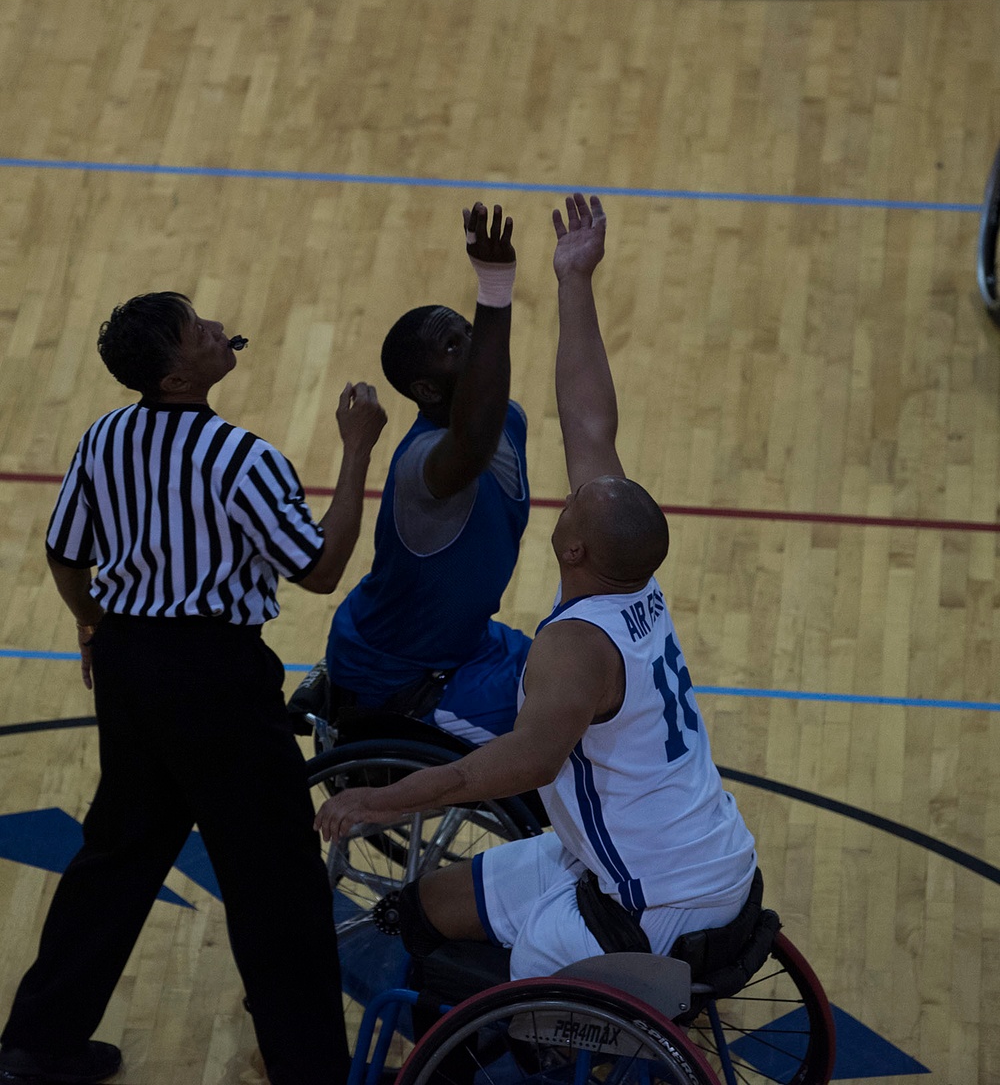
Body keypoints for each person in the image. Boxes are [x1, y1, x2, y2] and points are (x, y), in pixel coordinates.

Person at [315, 194, 757, 980]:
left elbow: (524, 763)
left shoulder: (577, 648)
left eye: (575, 503)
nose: (572, 489)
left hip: (646, 894)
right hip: (432, 666)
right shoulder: (626, 590)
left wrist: (383, 801)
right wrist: (573, 280)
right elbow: (591, 423)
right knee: (427, 908)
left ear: (576, 545)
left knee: (513, 1013)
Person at [0, 294, 387, 1085]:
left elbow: (65, 553)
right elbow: (319, 569)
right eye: (198, 331)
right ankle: (311, 1070)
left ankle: (36, 1046)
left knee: (117, 856)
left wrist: (92, 628)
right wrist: (356, 452)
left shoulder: (104, 437)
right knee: (275, 879)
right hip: (216, 679)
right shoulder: (241, 459)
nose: (217, 329)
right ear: (179, 379)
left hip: (132, 668)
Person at [321, 200, 531, 746]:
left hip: (466, 648)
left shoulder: (510, 419)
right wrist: (495, 290)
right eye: (456, 346)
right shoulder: (424, 467)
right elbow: (472, 440)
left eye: (467, 331)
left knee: (598, 669)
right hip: (401, 681)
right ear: (428, 392)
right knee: (573, 717)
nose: (475, 345)